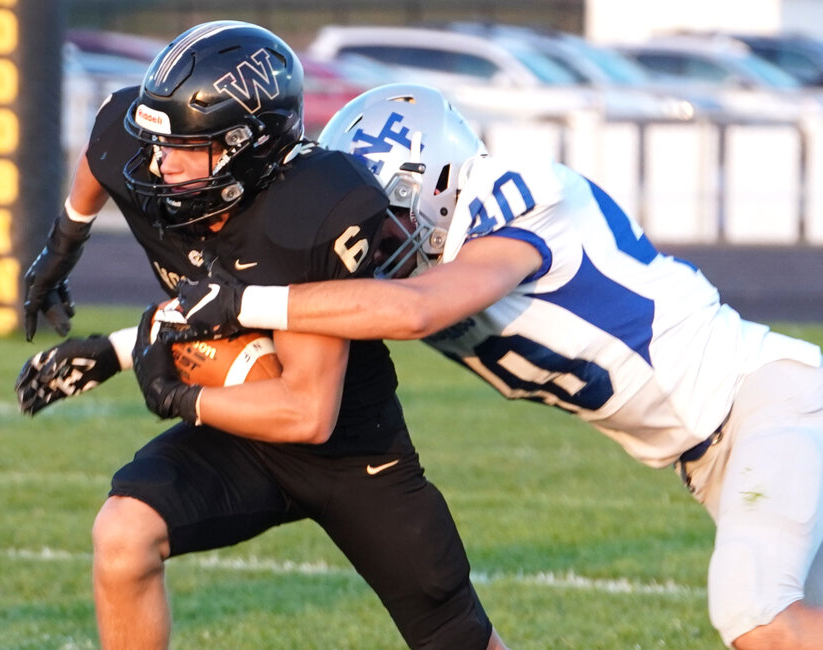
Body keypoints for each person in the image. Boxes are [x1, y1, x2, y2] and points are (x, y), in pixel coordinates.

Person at [171, 83, 823, 649]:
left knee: (757, 617)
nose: (370, 245)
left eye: (383, 219)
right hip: (712, 453)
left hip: (764, 400)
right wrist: (135, 341)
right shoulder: (421, 264)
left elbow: (417, 311)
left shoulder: (523, 194)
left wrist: (242, 299)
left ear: (438, 180)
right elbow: (310, 323)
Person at [15, 27, 507, 650]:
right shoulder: (141, 152)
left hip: (346, 446)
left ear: (246, 146)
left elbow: (306, 412)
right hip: (242, 427)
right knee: (123, 533)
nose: (160, 165)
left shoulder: (311, 209)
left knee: (455, 635)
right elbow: (103, 153)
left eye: (184, 147)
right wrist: (63, 246)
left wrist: (176, 398)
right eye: (157, 142)